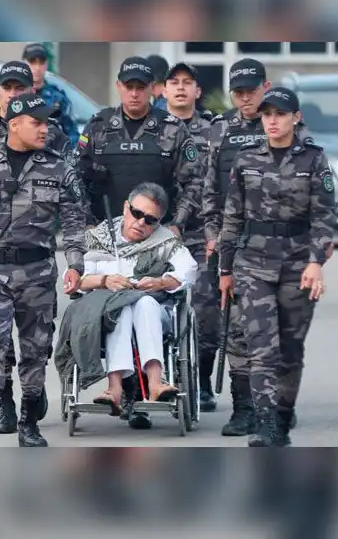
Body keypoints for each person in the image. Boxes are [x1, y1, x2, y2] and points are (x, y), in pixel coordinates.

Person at [0, 95, 86, 447]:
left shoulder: (58, 168)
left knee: (36, 350)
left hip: (38, 270)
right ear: (14, 125)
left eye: (47, 122)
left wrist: (76, 263)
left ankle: (28, 424)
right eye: (36, 122)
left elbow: (73, 220)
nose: (45, 128)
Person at [75, 55, 204, 429]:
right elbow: (76, 178)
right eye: (128, 86)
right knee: (119, 305)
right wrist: (88, 225)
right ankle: (129, 393)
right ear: (119, 87)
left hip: (156, 234)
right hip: (108, 237)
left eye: (141, 87)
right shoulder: (99, 127)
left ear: (154, 90)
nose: (134, 93)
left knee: (146, 303)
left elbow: (194, 183)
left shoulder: (171, 129)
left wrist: (177, 225)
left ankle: (143, 389)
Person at [218, 87, 336, 447]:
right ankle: (265, 423)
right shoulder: (247, 157)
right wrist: (225, 269)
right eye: (267, 114)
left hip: (298, 262)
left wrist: (316, 263)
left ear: (295, 118)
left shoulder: (314, 159)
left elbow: (324, 216)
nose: (272, 120)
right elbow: (232, 215)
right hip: (252, 263)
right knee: (260, 347)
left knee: (290, 350)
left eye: (280, 114)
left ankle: (282, 417)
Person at [202, 58, 314, 436]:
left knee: (279, 331)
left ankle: (279, 404)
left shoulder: (292, 127)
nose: (246, 99)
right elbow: (211, 190)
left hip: (284, 249)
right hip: (237, 243)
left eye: (251, 90)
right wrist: (214, 235)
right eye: (239, 92)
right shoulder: (220, 131)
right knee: (236, 329)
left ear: (265, 87)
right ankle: (244, 407)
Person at [54, 183, 199, 415]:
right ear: (125, 207)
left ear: (158, 222)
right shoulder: (98, 237)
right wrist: (104, 281)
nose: (141, 223)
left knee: (143, 302)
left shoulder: (165, 242)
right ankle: (114, 388)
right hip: (105, 313)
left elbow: (189, 271)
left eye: (150, 220)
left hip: (152, 312)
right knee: (120, 307)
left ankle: (155, 382)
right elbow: (73, 279)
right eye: (137, 213)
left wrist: (161, 282)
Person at [163, 62, 219, 412]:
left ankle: (202, 382)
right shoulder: (153, 129)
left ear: (198, 91)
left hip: (200, 234)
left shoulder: (215, 130)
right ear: (164, 90)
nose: (181, 88)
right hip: (160, 234)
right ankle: (161, 379)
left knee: (206, 310)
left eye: (188, 83)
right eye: (174, 82)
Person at [22, 43, 80, 151]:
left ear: (46, 65)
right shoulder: (16, 96)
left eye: (41, 63)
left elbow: (72, 133)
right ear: (24, 64)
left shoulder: (57, 98)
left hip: (52, 160)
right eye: (32, 62)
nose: (37, 68)